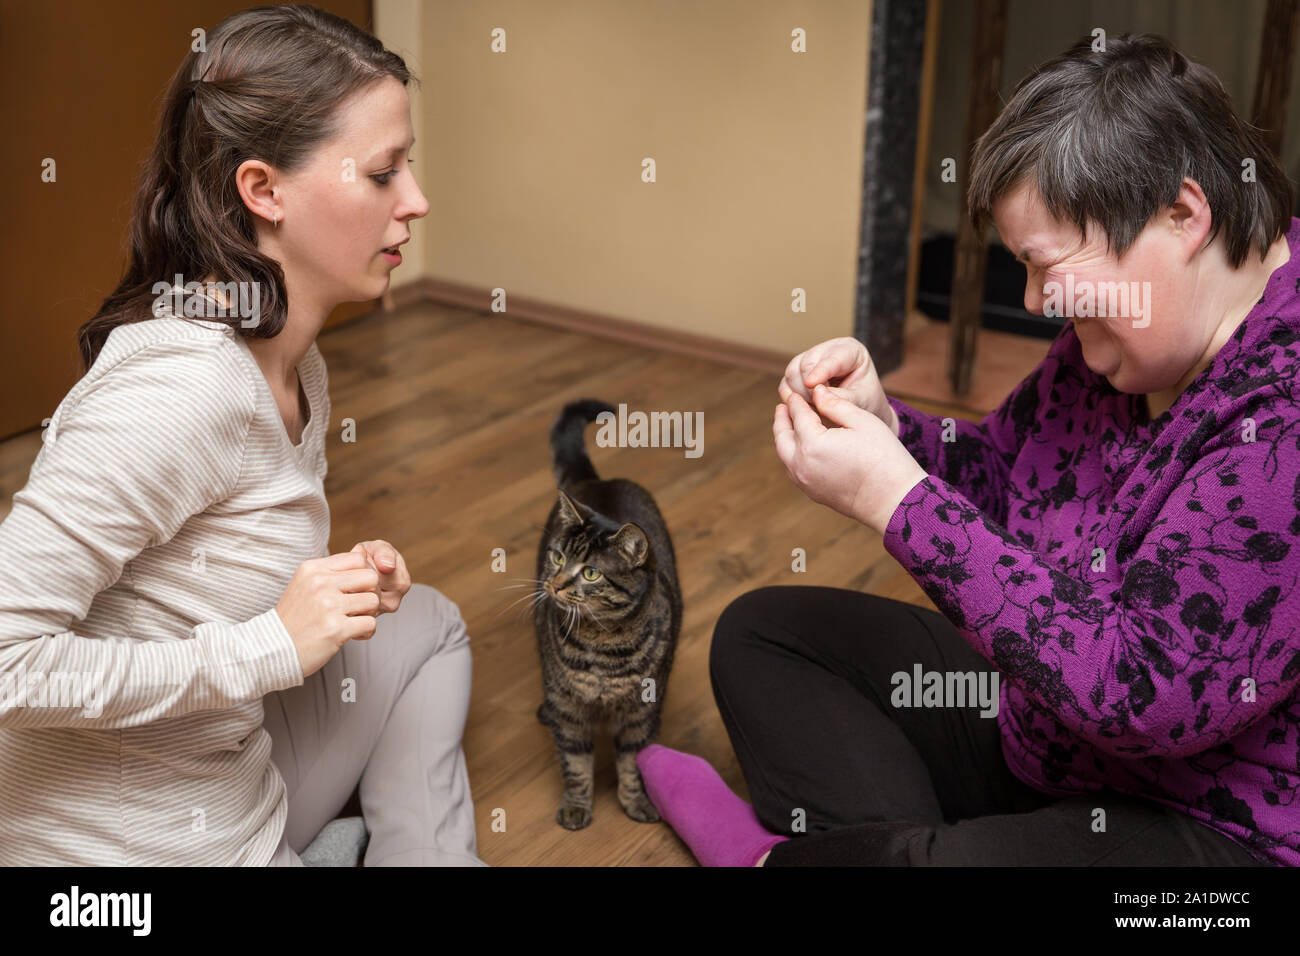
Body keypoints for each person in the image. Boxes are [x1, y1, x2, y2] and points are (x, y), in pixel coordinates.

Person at [636, 32, 1299, 866]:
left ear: (1184, 215)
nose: (1035, 301)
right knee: (763, 635)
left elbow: (1138, 693)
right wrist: (888, 427)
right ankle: (917, 854)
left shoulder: (1282, 417)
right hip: (1048, 734)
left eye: (1045, 264)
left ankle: (779, 860)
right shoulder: (1126, 337)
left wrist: (897, 503)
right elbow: (1008, 477)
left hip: (1215, 835)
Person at [0, 4, 484, 866]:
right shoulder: (183, 388)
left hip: (227, 775)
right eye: (382, 175)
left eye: (408, 165)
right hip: (124, 853)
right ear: (263, 191)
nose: (416, 201)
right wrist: (265, 643)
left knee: (426, 623)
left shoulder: (294, 361)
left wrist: (325, 591)